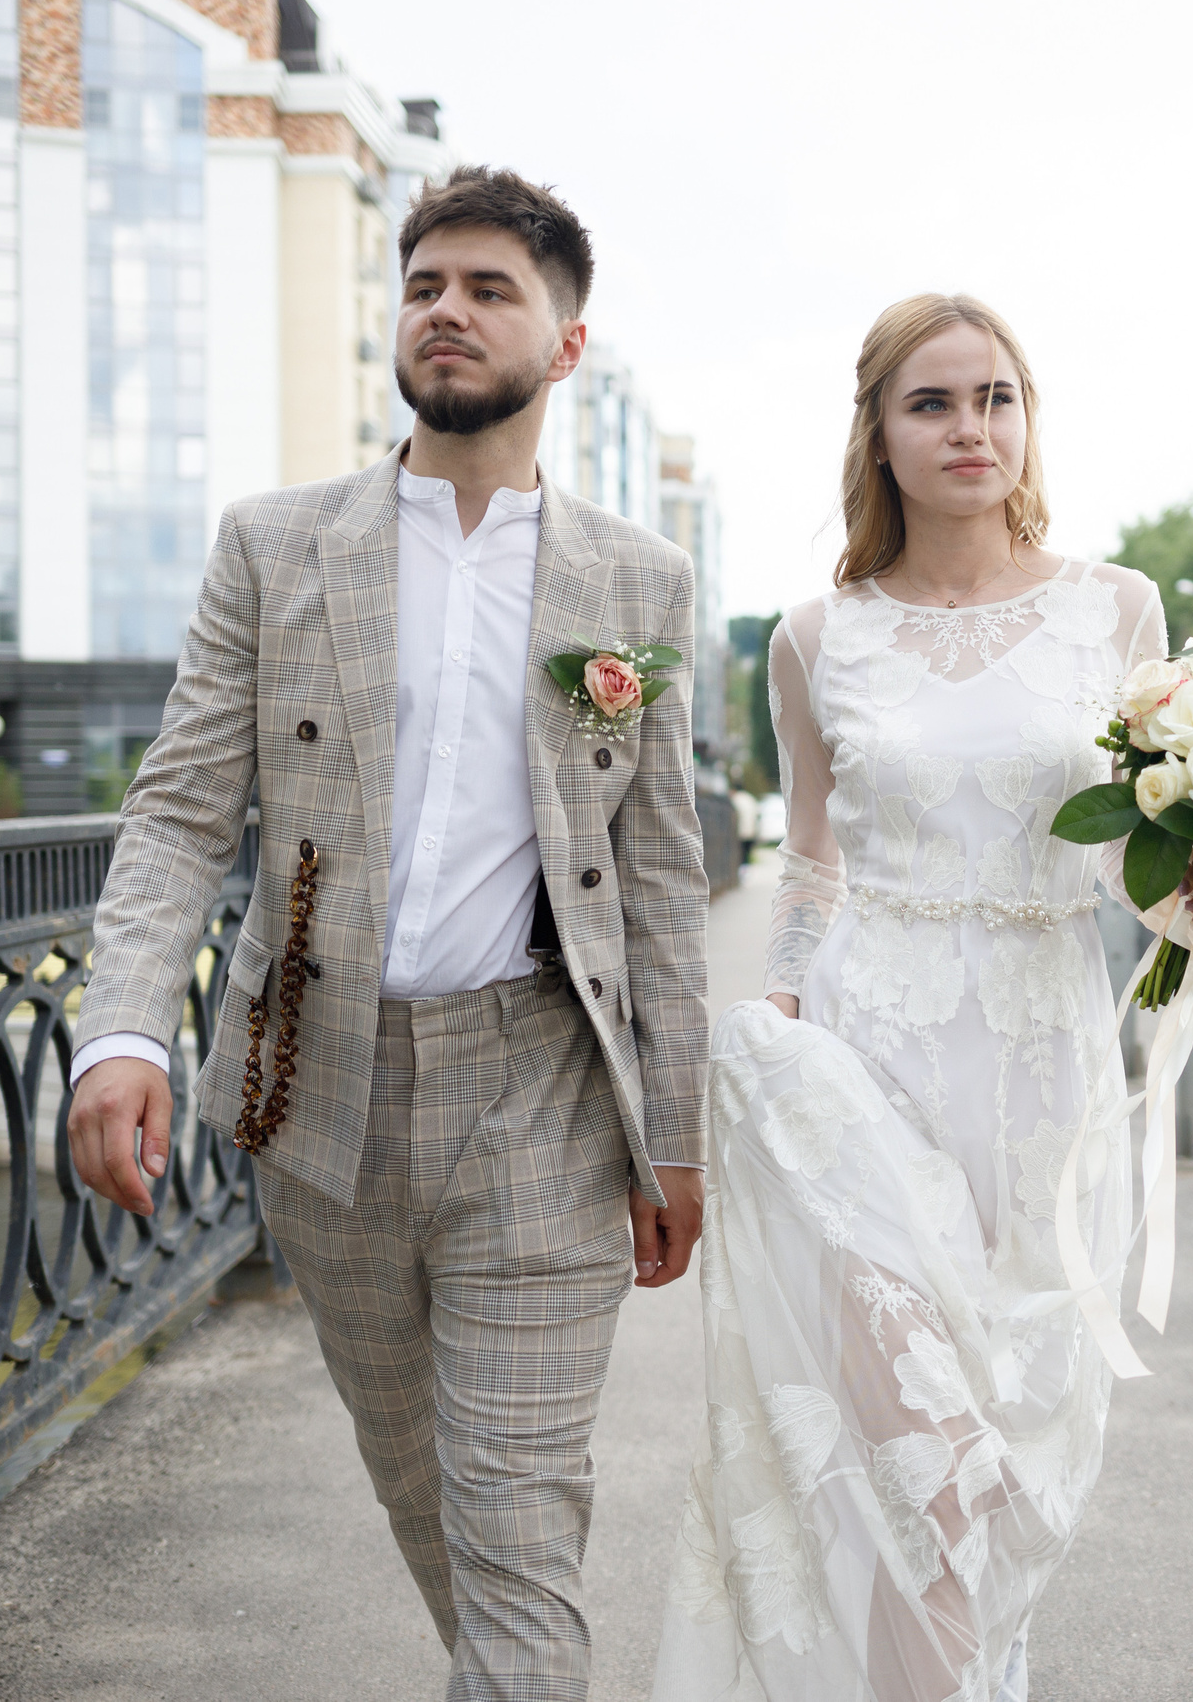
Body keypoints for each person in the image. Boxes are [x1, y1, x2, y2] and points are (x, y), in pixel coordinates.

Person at [64, 166, 710, 1702]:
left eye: (491, 289)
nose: (448, 310)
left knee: (517, 1513)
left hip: (539, 1094)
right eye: (426, 284)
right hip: (319, 1092)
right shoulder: (276, 548)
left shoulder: (640, 581)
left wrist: (674, 1135)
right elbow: (174, 811)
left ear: (565, 348)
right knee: (424, 1485)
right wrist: (123, 1028)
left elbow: (664, 874)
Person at [651, 295, 1193, 1702]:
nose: (969, 427)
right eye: (933, 402)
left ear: (1027, 419)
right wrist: (777, 1033)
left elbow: (1127, 857)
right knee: (916, 1457)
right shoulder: (814, 637)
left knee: (1018, 1445)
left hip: (1043, 1072)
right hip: (861, 1075)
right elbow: (810, 865)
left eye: (995, 397)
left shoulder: (1117, 608)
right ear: (879, 432)